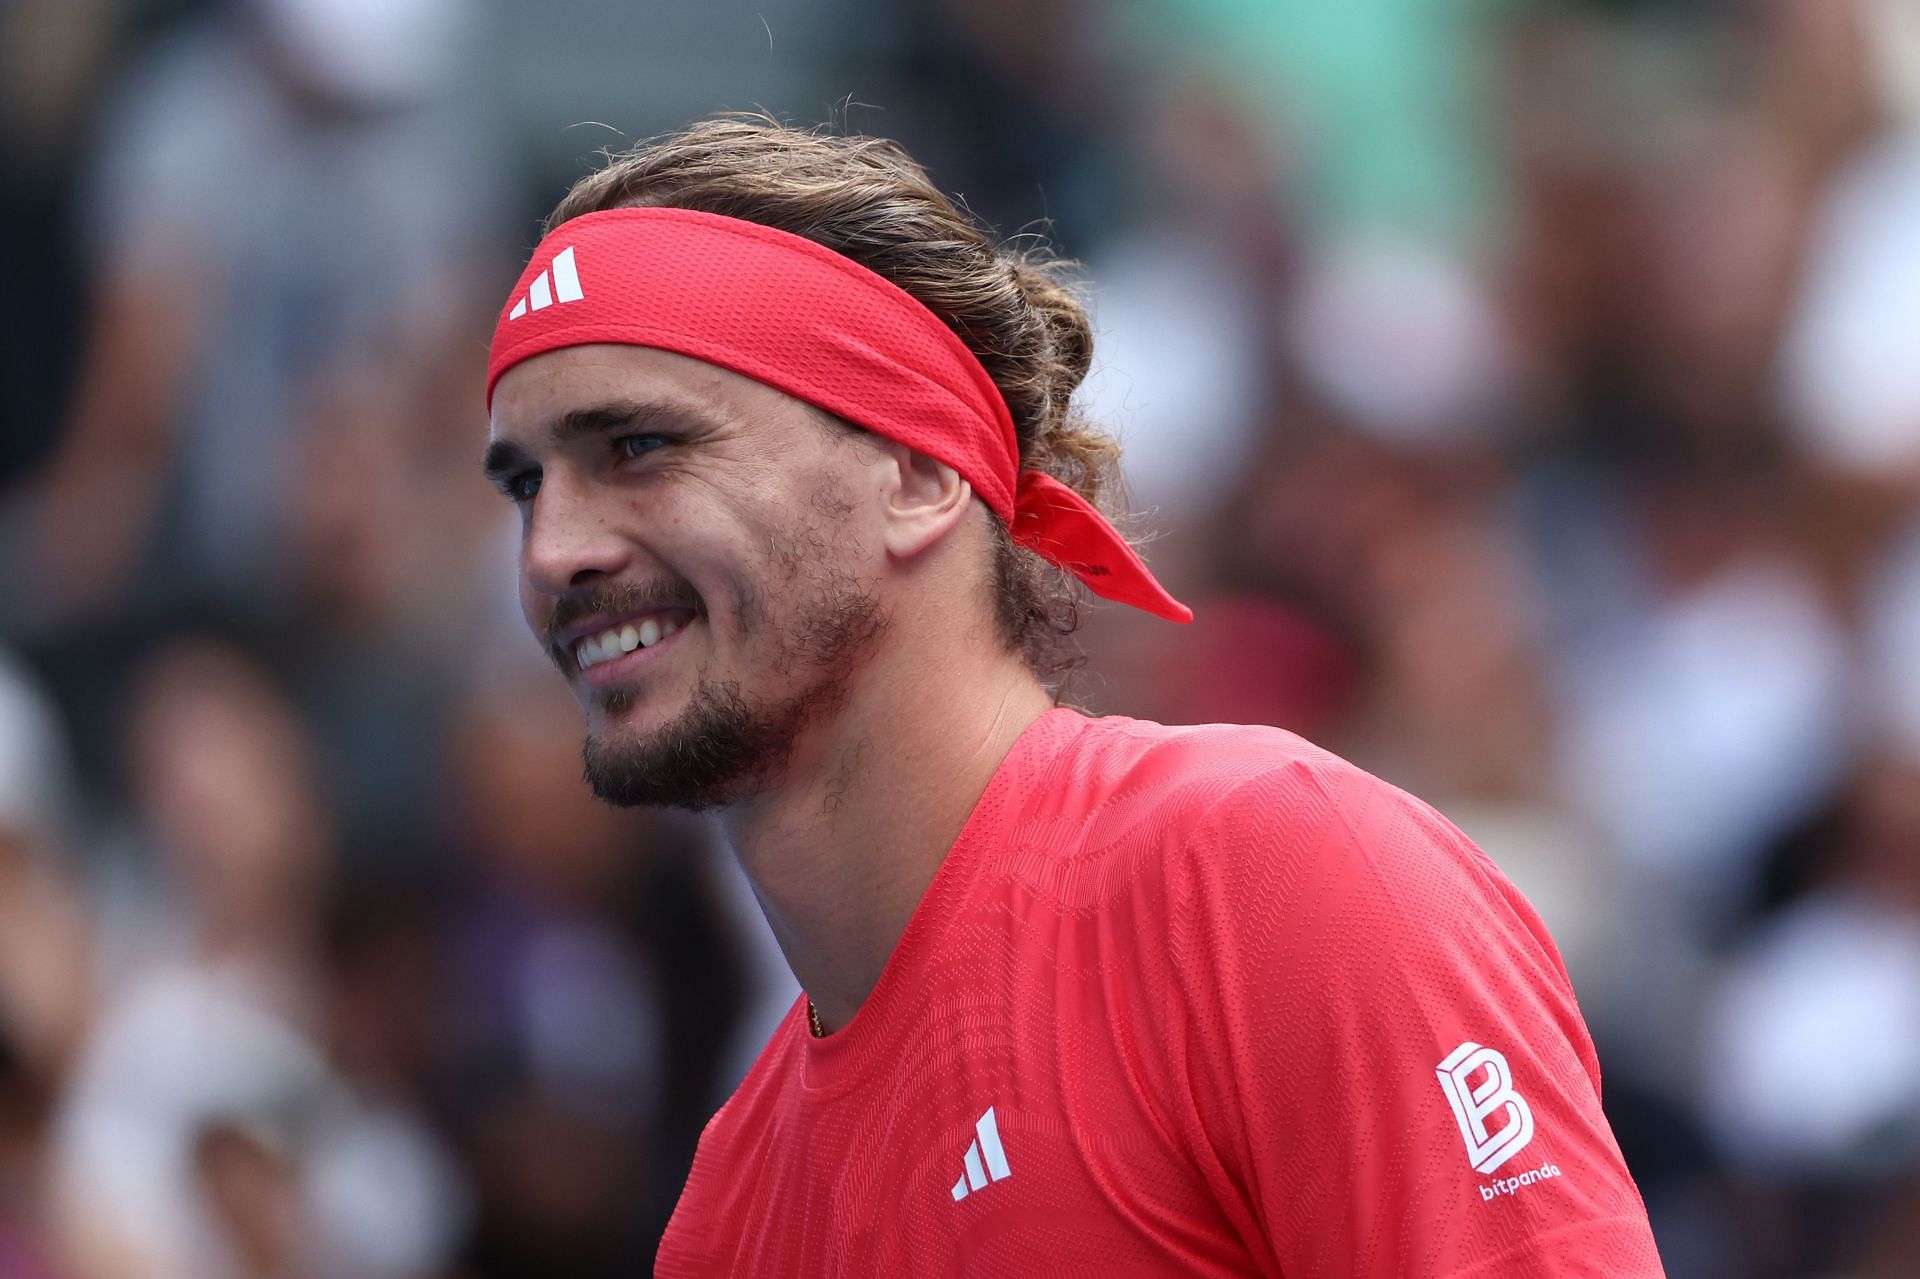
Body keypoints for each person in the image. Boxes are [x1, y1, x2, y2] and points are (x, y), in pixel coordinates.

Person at [480, 114, 1664, 1276]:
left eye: (638, 447)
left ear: (919, 471)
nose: (551, 553)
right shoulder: (730, 1217)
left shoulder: (1267, 877)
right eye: (528, 483)